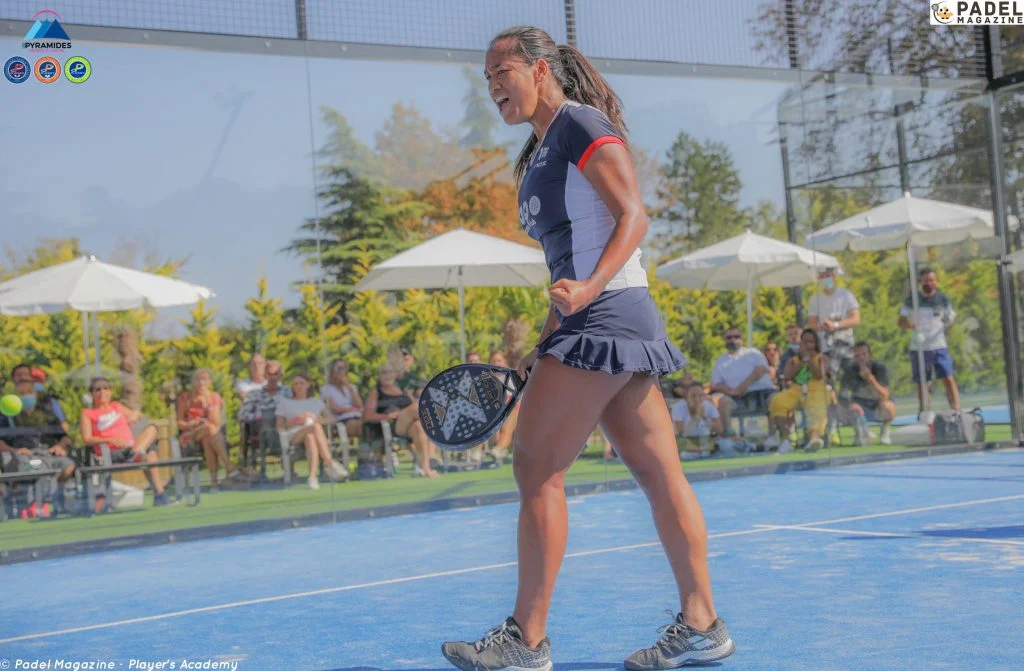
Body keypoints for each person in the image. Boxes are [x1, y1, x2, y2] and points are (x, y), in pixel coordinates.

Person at [441, 26, 734, 671]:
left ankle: (527, 638)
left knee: (535, 464)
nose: (492, 86)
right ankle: (702, 624)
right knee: (660, 475)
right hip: (602, 316)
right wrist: (550, 328)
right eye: (485, 77)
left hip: (608, 312)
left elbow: (633, 214)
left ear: (541, 69)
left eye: (501, 71)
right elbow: (569, 255)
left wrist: (589, 291)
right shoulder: (542, 148)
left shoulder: (579, 122)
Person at [79, 377, 171, 507]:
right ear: (92, 394)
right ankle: (160, 495)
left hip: (130, 447)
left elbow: (137, 415)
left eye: (106, 388)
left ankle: (137, 452)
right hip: (110, 452)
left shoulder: (116, 406)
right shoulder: (88, 413)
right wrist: (110, 440)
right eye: (97, 389)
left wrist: (135, 414)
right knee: (150, 454)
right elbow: (87, 439)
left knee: (152, 428)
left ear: (110, 391)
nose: (102, 392)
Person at [898, 267, 960, 413]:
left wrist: (948, 322)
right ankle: (924, 413)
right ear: (920, 282)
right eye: (925, 281)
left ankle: (956, 411)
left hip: (939, 346)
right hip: (919, 348)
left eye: (931, 280)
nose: (929, 283)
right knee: (923, 384)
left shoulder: (942, 298)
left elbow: (951, 316)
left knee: (948, 378)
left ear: (936, 281)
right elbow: (900, 321)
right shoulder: (912, 299)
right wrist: (910, 326)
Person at [363, 363, 441, 478]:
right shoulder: (376, 392)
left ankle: (425, 467)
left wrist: (410, 397)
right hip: (392, 424)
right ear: (379, 376)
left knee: (419, 427)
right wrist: (386, 416)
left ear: (395, 375)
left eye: (390, 372)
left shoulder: (403, 390)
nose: (387, 375)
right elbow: (367, 416)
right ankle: (434, 445)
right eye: (384, 373)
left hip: (409, 423)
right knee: (419, 408)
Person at [274, 371, 348, 490]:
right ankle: (330, 463)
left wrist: (315, 419)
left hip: (312, 432)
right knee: (315, 428)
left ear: (308, 385)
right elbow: (280, 426)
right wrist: (296, 421)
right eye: (296, 384)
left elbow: (331, 419)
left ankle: (312, 478)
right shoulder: (285, 402)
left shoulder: (316, 402)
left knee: (311, 437)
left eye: (301, 383)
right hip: (293, 434)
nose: (298, 386)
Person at [766, 329, 829, 453]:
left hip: (816, 389)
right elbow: (787, 376)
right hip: (796, 390)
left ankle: (814, 438)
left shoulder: (822, 358)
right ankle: (785, 439)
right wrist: (800, 361)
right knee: (778, 401)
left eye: (811, 342)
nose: (808, 345)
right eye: (804, 342)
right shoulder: (793, 360)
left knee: (816, 404)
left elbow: (820, 374)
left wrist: (809, 360)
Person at [177, 368, 240, 491]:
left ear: (210, 382)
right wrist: (191, 424)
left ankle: (214, 483)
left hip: (209, 433)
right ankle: (228, 465)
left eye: (205, 380)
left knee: (208, 438)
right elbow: (179, 423)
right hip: (190, 434)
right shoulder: (184, 398)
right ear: (192, 382)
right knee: (210, 430)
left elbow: (216, 422)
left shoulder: (214, 397)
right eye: (198, 379)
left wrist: (208, 405)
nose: (201, 383)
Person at [710, 326, 776, 435]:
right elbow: (716, 383)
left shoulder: (753, 353)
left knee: (775, 399)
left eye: (736, 336)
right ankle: (729, 437)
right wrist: (731, 391)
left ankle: (773, 437)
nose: (733, 340)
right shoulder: (720, 360)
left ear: (742, 339)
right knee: (723, 402)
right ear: (724, 340)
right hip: (736, 396)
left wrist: (744, 385)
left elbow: (762, 369)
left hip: (762, 392)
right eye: (729, 337)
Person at [833, 342, 896, 445]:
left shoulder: (879, 368)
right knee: (846, 408)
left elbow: (885, 395)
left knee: (889, 406)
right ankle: (861, 433)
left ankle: (885, 431)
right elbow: (842, 394)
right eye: (857, 355)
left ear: (870, 355)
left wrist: (871, 380)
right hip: (860, 406)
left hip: (877, 405)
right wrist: (849, 404)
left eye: (864, 354)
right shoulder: (850, 370)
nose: (861, 357)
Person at [806, 268, 860, 383]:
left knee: (851, 377)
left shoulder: (846, 295)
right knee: (829, 379)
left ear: (834, 275)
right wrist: (823, 326)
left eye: (828, 275)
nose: (826, 278)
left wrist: (836, 325)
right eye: (822, 276)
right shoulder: (815, 299)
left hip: (846, 345)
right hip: (826, 347)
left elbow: (856, 319)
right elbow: (811, 323)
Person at [671, 381, 722, 460]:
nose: (697, 399)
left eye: (700, 395)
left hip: (706, 440)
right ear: (687, 397)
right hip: (687, 443)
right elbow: (681, 433)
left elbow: (719, 430)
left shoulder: (709, 406)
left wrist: (705, 418)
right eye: (693, 396)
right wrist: (696, 416)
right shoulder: (678, 408)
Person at [321, 358, 363, 440]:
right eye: (339, 368)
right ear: (332, 371)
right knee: (360, 426)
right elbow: (334, 409)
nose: (342, 371)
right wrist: (352, 409)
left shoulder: (351, 387)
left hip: (357, 416)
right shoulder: (326, 389)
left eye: (344, 368)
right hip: (342, 420)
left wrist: (349, 387)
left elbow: (359, 405)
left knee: (370, 424)